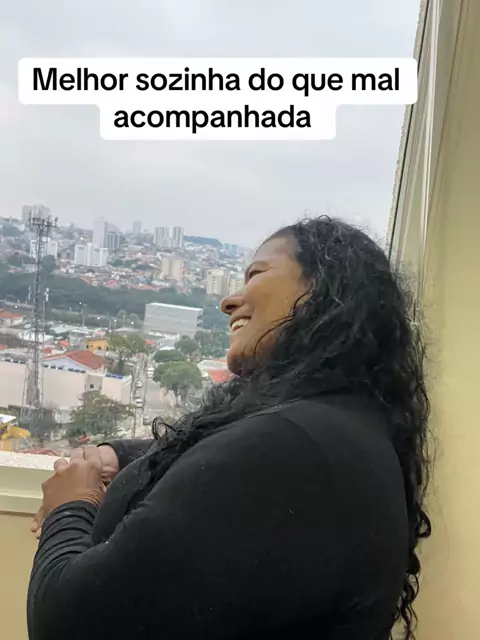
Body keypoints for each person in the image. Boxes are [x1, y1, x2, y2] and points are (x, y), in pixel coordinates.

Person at [28, 216, 431, 640]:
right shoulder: (337, 427)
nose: (228, 302)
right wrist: (120, 455)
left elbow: (66, 623)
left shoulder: (287, 450)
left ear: (324, 288)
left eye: (256, 274)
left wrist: (71, 505)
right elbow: (217, 454)